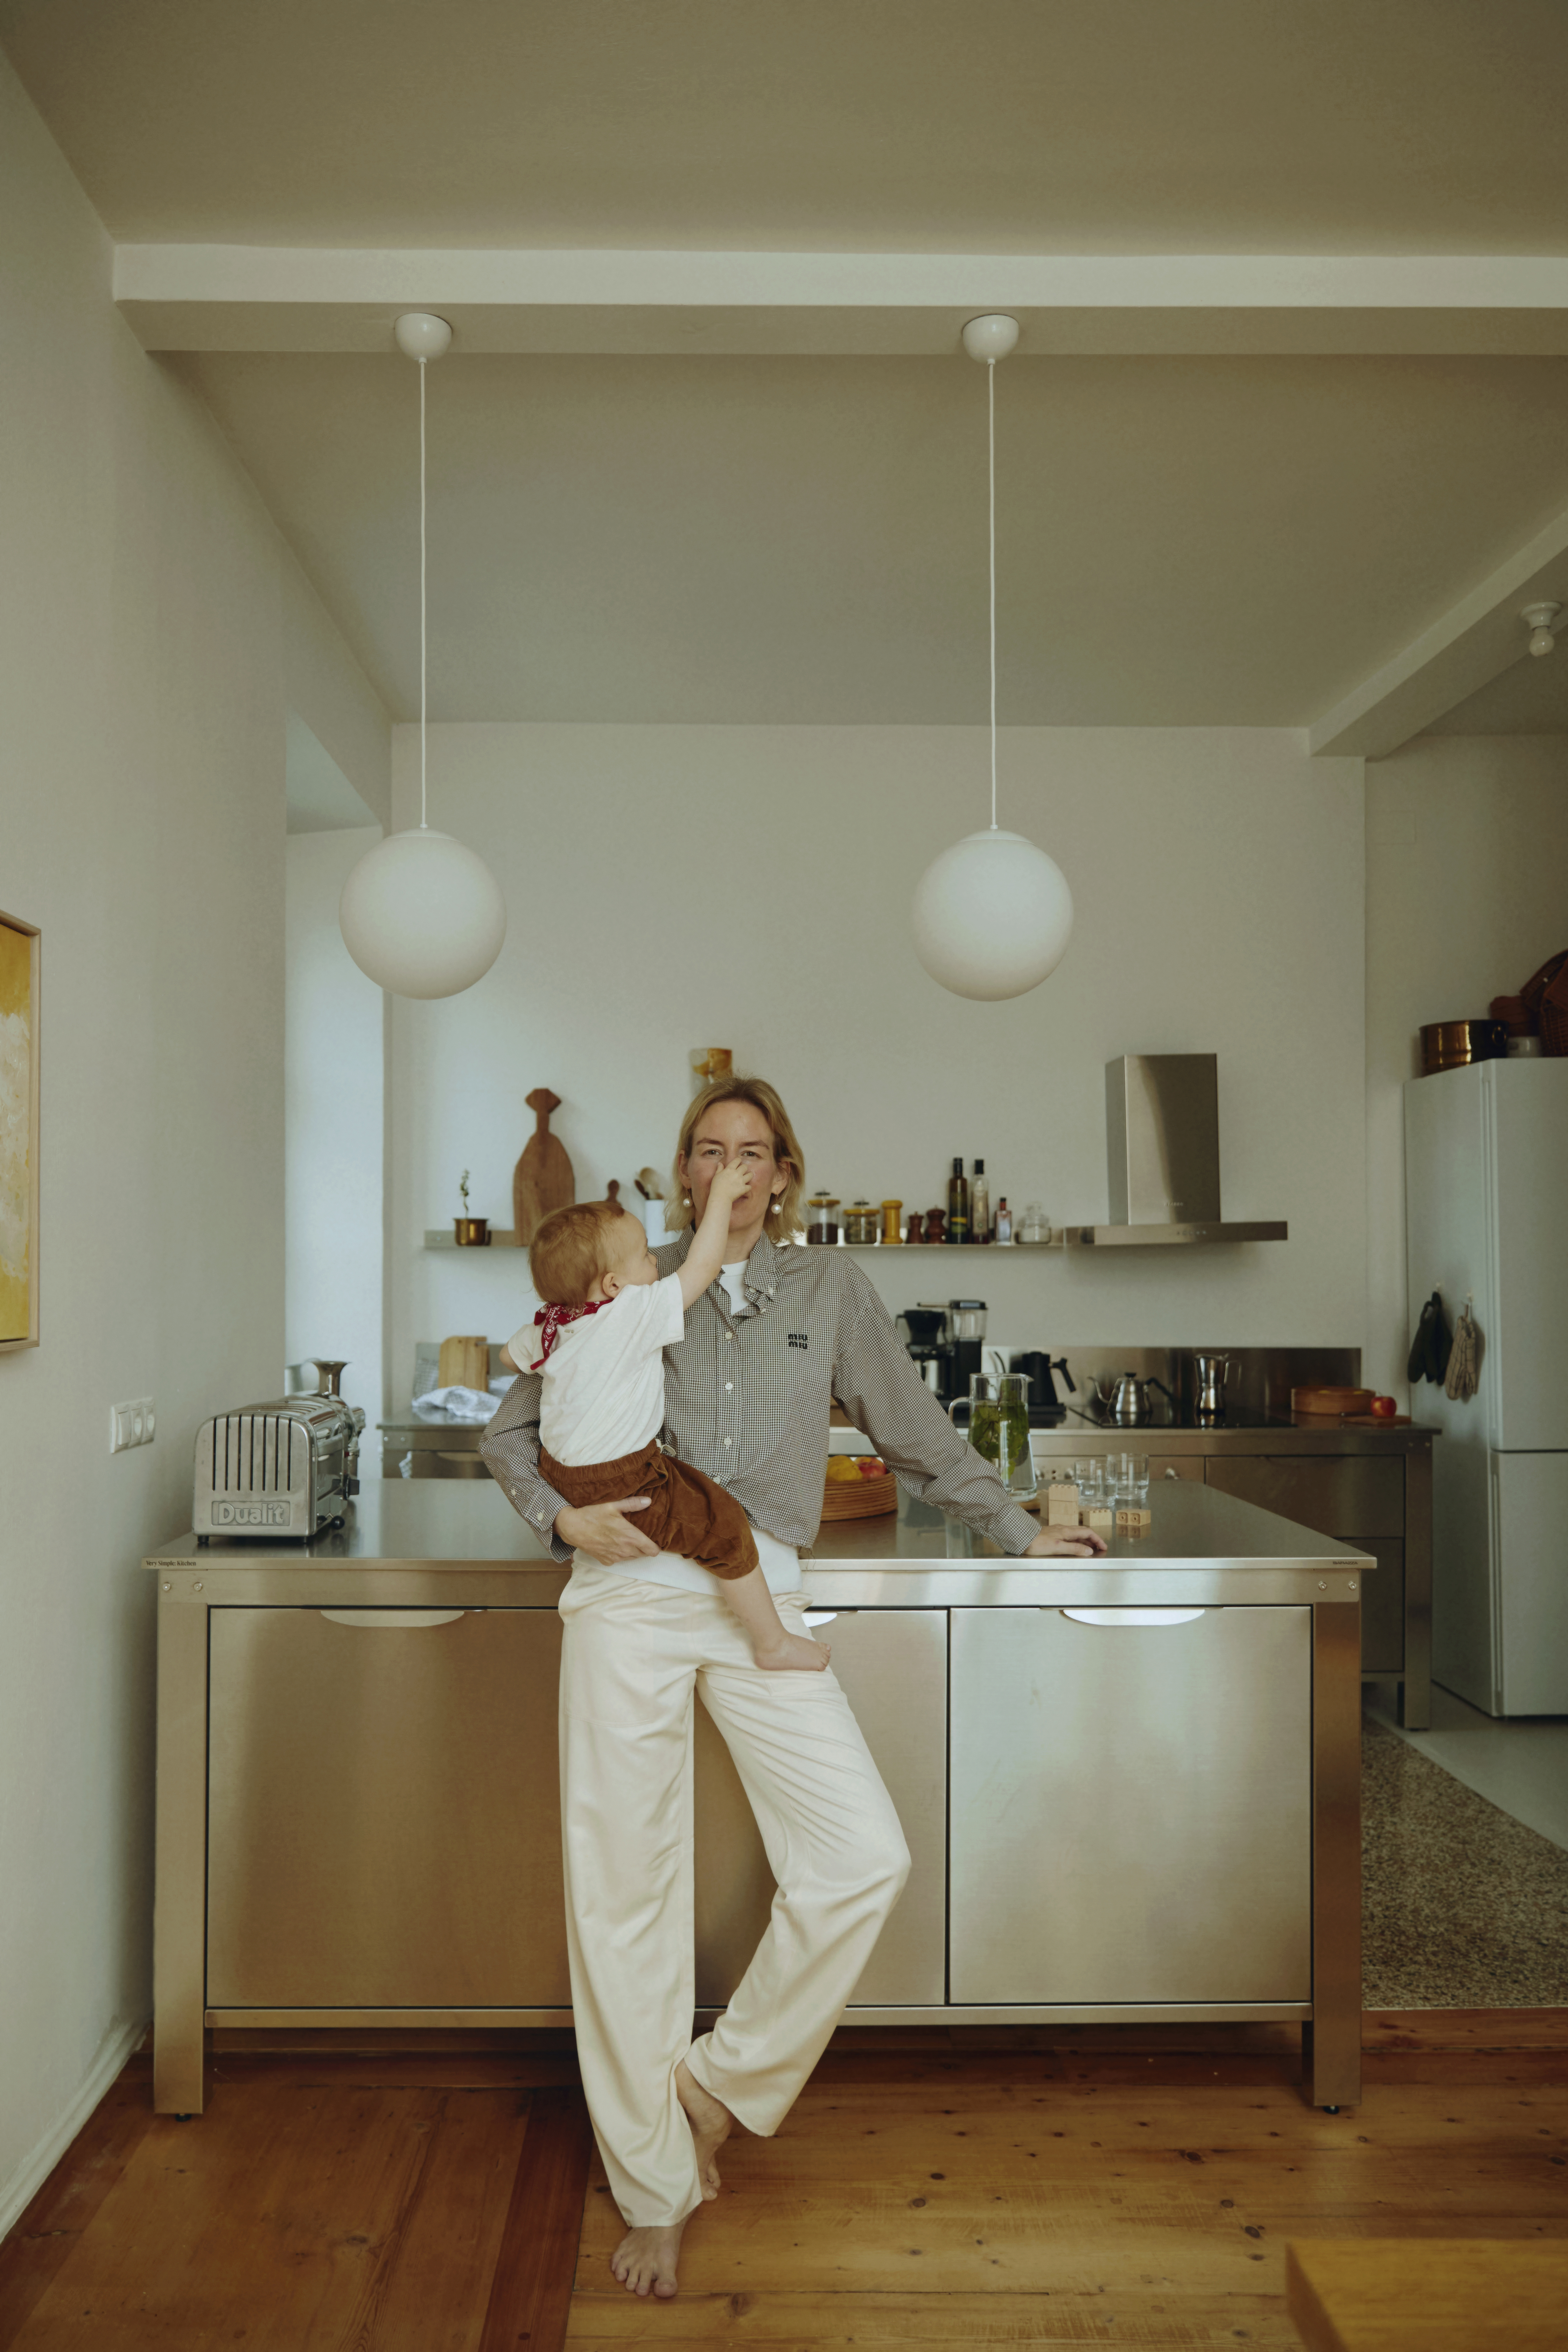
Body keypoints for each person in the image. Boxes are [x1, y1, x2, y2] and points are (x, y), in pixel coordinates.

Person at [483, 1076, 1106, 2303]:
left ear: (784, 1172)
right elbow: (509, 1432)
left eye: (752, 1152)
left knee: (862, 1854)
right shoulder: (621, 1283)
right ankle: (653, 2186)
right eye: (708, 1150)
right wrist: (563, 1517)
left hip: (756, 1590)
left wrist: (1015, 1525)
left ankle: (720, 2087)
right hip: (623, 1602)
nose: (730, 1169)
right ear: (681, 1169)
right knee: (623, 1891)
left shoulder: (829, 1292)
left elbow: (915, 1426)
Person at [510, 1165, 827, 1673]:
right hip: (626, 1475)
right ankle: (774, 1643)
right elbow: (701, 1270)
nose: (654, 1259)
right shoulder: (629, 1312)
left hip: (563, 1478)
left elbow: (512, 1358)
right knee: (723, 1526)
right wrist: (721, 1197)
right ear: (614, 1285)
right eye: (643, 1255)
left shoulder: (552, 1328)